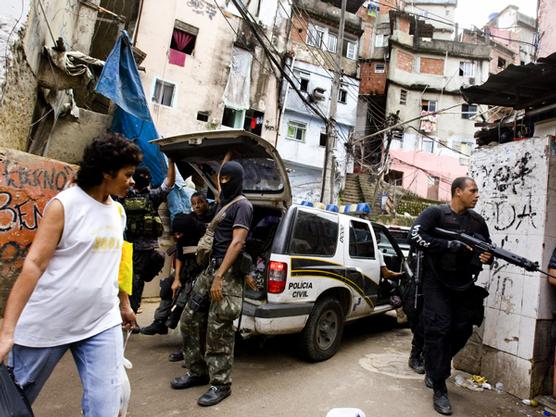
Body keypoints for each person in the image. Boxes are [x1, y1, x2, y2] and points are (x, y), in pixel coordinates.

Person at [0, 134, 142, 416]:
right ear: (106, 172)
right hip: (49, 322)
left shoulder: (118, 212)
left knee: (107, 406)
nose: (132, 181)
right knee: (13, 399)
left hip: (101, 322)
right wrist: (7, 331)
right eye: (127, 175)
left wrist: (124, 303)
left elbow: (115, 262)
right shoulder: (64, 205)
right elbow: (34, 265)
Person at [170, 161, 253, 407]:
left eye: (228, 179)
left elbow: (237, 243)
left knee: (219, 330)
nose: (223, 183)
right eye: (221, 179)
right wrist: (224, 160)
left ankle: (221, 384)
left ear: (237, 181)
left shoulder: (243, 206)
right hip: (209, 270)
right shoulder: (223, 203)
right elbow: (219, 183)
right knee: (189, 319)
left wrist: (219, 275)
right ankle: (197, 371)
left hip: (225, 275)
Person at [409, 176, 492, 415]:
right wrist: (448, 245)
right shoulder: (435, 214)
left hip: (463, 283)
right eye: (473, 190)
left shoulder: (477, 222)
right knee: (439, 328)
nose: (477, 195)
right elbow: (414, 237)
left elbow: (486, 248)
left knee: (464, 328)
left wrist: (486, 257)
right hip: (436, 281)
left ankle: (435, 364)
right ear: (458, 192)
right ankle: (439, 385)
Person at [140, 208, 208, 336]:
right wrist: (176, 279)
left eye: (179, 234)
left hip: (202, 270)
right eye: (175, 233)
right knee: (167, 287)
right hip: (186, 267)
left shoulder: (204, 235)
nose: (177, 237)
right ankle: (159, 322)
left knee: (187, 294)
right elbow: (180, 256)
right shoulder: (182, 236)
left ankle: (175, 316)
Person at [123, 161, 176, 313]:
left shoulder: (125, 195)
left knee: (135, 280)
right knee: (137, 281)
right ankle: (131, 311)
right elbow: (170, 182)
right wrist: (171, 160)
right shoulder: (152, 196)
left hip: (130, 248)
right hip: (139, 249)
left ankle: (130, 309)